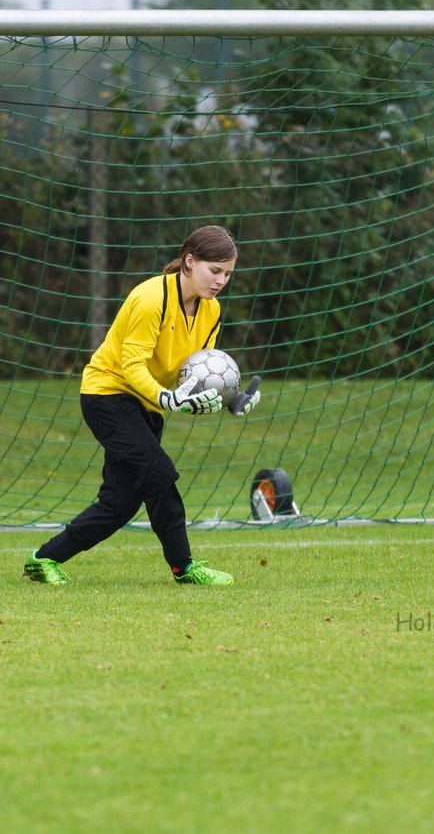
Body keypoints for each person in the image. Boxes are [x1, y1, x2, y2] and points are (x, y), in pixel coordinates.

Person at [24, 225, 261, 586]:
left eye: (228, 273)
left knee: (119, 503)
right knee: (159, 474)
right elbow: (131, 365)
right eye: (214, 271)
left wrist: (232, 400)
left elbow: (199, 369)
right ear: (189, 261)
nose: (220, 281)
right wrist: (166, 398)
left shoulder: (211, 310)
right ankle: (184, 567)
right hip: (107, 394)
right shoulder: (151, 298)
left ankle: (43, 559)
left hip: (147, 405)